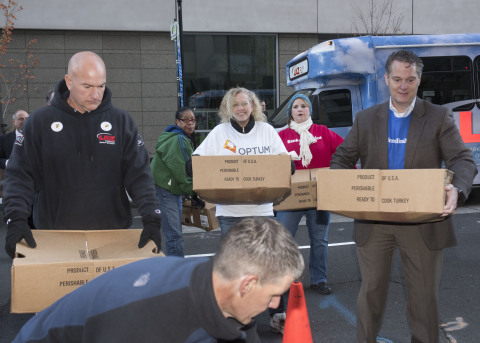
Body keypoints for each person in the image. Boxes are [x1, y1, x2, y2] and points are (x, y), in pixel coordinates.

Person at [330, 50, 477, 343]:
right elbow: (341, 160)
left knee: (424, 301)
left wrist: (456, 189)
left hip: (424, 223)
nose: (403, 86)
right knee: (370, 295)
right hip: (375, 224)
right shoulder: (366, 119)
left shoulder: (438, 117)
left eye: (410, 79)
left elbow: (462, 160)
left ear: (419, 80)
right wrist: (349, 191)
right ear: (386, 78)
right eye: (397, 79)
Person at [12, 217, 304, 343]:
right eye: (273, 295)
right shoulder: (145, 322)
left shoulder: (220, 284)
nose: (276, 304)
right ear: (247, 285)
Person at [3, 51, 162, 259]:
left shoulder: (122, 122)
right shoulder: (39, 123)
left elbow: (140, 175)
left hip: (113, 238)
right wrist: (16, 219)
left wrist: (152, 217)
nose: (96, 95)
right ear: (69, 81)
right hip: (55, 238)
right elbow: (19, 175)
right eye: (87, 86)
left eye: (101, 86)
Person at [191, 87, 291, 333]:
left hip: (262, 211)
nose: (240, 109)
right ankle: (241, 321)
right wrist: (192, 168)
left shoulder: (267, 132)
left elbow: (283, 161)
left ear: (253, 105)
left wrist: (287, 168)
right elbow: (198, 160)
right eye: (235, 105)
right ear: (228, 108)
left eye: (244, 104)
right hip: (230, 214)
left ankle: (278, 314)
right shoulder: (219, 133)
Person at [277, 93, 343, 295]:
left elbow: (345, 152)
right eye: (295, 106)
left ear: (309, 110)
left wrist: (344, 179)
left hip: (320, 195)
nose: (300, 109)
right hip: (289, 197)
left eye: (303, 106)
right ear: (290, 113)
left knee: (320, 240)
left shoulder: (323, 132)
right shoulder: (281, 136)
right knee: (284, 238)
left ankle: (319, 279)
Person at [151, 107, 198, 257]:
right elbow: (181, 172)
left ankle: (176, 267)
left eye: (193, 120)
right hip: (166, 190)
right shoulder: (178, 140)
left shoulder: (178, 137)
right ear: (177, 122)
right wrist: (195, 192)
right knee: (174, 234)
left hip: (170, 189)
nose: (190, 123)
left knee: (174, 232)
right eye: (186, 120)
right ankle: (176, 272)